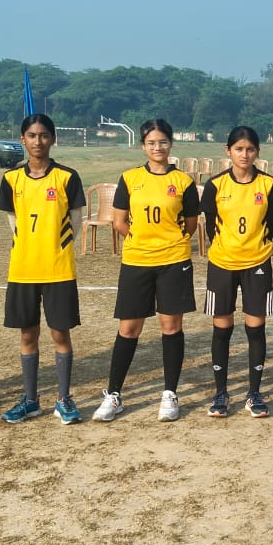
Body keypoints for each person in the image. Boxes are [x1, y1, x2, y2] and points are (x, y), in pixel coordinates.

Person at [92, 119, 199, 422]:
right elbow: (119, 221)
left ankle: (170, 394)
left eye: (163, 142)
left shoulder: (183, 181)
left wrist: (168, 242)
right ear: (143, 146)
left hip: (173, 260)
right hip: (137, 261)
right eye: (151, 143)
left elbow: (191, 224)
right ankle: (114, 395)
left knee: (171, 326)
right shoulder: (130, 178)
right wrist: (141, 240)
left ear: (170, 144)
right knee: (129, 328)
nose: (157, 147)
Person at [0, 114, 86, 425]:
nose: (38, 141)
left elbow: (75, 221)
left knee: (60, 333)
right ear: (22, 139)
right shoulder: (11, 179)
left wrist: (55, 245)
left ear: (53, 139)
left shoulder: (66, 177)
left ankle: (63, 399)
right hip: (23, 269)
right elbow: (13, 222)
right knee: (27, 333)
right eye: (32, 135)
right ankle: (31, 400)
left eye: (44, 135)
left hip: (58, 268)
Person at [197, 126, 273, 419]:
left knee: (255, 329)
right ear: (228, 151)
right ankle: (221, 393)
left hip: (257, 263)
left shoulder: (268, 185)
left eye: (250, 149)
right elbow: (211, 226)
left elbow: (272, 224)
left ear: (257, 152)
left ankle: (254, 393)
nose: (244, 154)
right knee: (222, 329)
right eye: (238, 149)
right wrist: (227, 247)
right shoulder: (215, 185)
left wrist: (255, 247)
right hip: (222, 264)